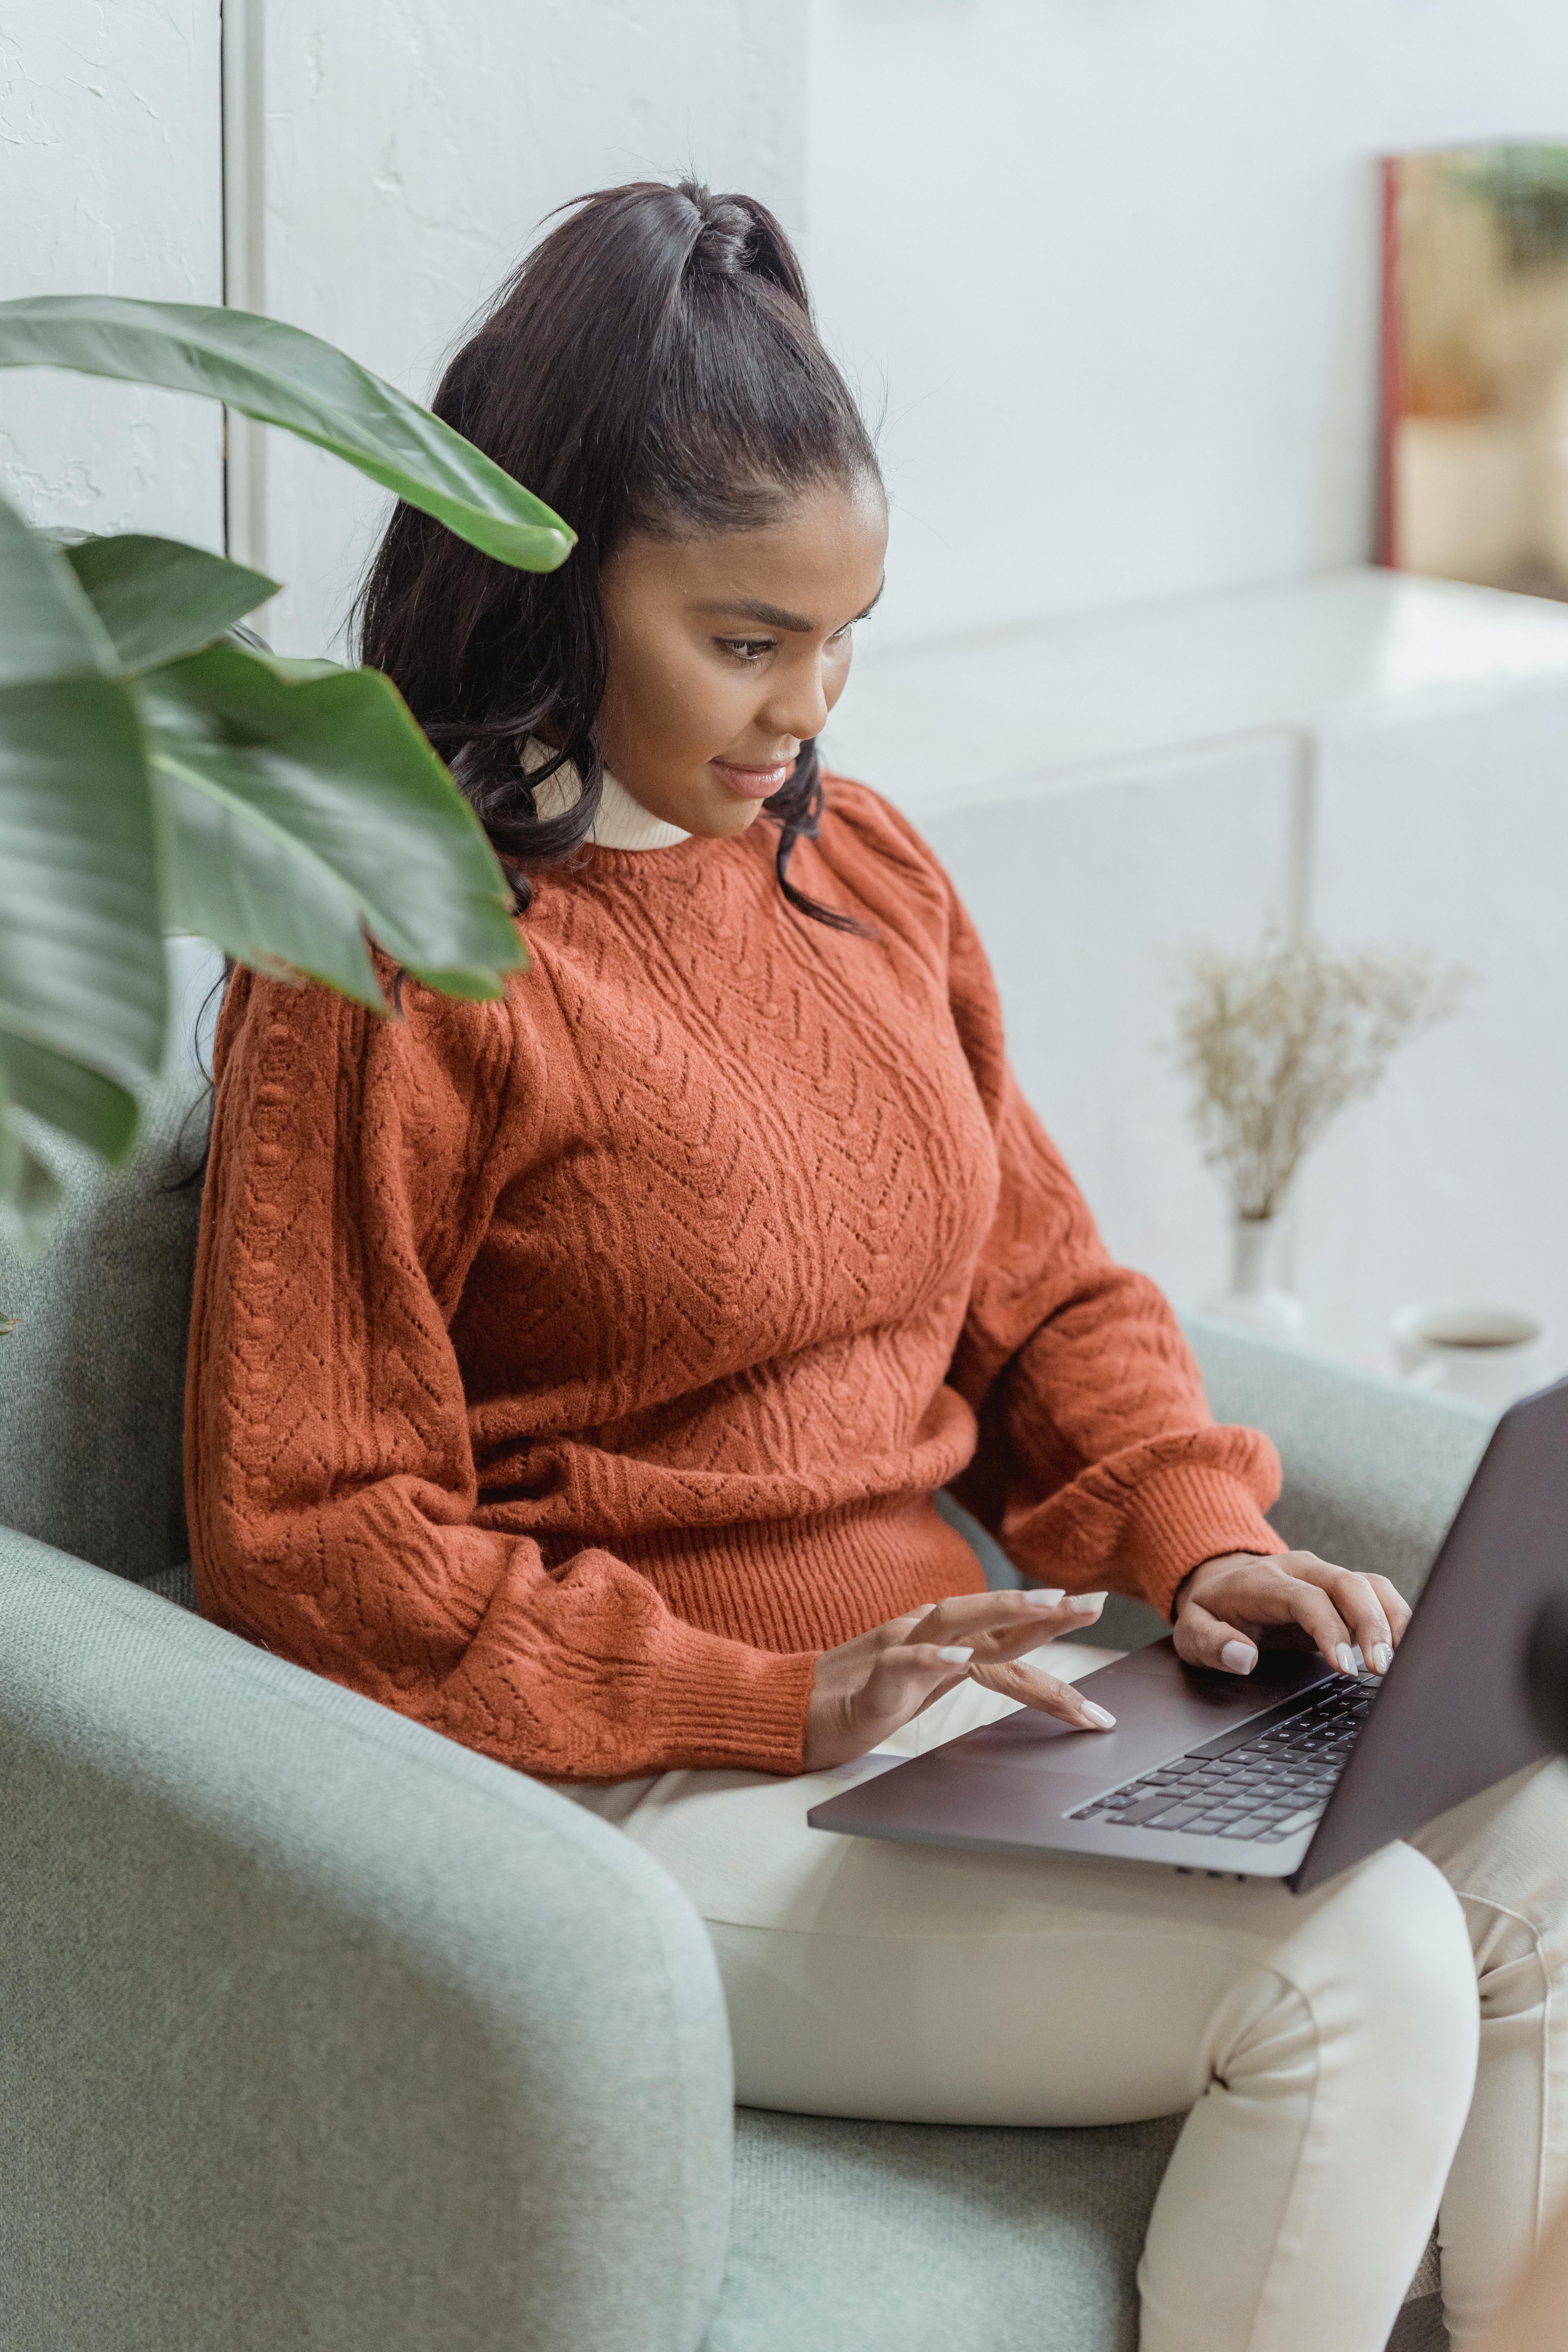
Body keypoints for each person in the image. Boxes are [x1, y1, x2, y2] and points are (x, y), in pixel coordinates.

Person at [185, 179, 1568, 2352]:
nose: (805, 711)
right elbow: (310, 1532)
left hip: (973, 1734)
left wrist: (1205, 1545)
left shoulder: (861, 867)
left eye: (846, 639)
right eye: (744, 642)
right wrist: (763, 1698)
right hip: (639, 1795)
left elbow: (1045, 1295)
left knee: (1543, 1831)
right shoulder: (383, 957)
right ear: (545, 584)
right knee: (1360, 1959)